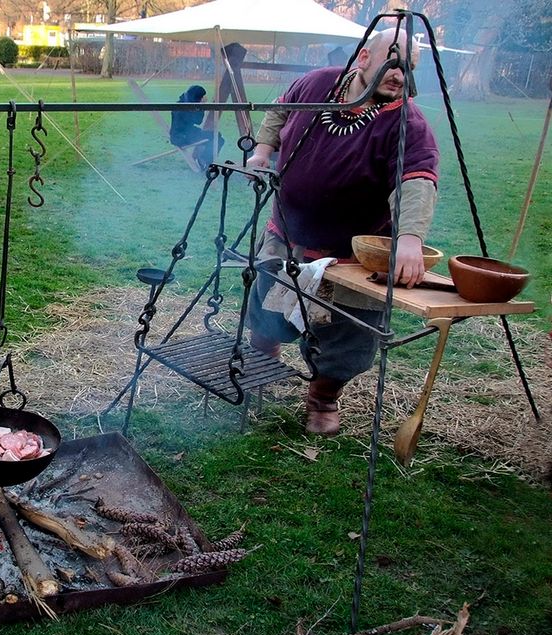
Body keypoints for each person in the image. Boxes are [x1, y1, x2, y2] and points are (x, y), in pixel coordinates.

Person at [245, 28, 439, 436]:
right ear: (365, 56)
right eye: (393, 62)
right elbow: (280, 110)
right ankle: (263, 359)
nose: (400, 76)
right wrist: (263, 149)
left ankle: (323, 397)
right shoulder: (318, 83)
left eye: (410, 69)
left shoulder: (408, 122)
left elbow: (416, 179)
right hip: (287, 230)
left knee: (346, 333)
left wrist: (408, 239)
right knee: (267, 306)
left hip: (351, 254)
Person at [170, 84, 222, 171]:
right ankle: (204, 160)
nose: (203, 99)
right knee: (217, 138)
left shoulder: (184, 102)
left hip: (185, 133)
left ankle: (205, 160)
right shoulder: (183, 106)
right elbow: (197, 120)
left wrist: (200, 106)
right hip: (181, 136)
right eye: (202, 97)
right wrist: (202, 106)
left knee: (217, 136)